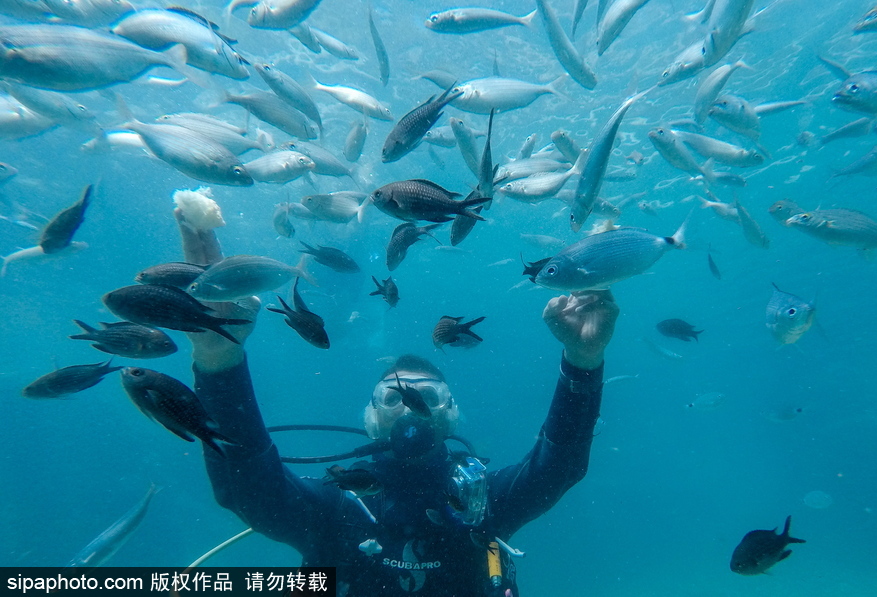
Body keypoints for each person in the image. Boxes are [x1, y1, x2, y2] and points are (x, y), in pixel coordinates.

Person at [177, 210, 619, 596]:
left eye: (427, 396)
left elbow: (560, 464)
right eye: (392, 397)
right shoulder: (335, 506)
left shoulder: (482, 501)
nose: (410, 407)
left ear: (453, 413)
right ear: (369, 419)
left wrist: (583, 359)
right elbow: (247, 488)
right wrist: (220, 357)